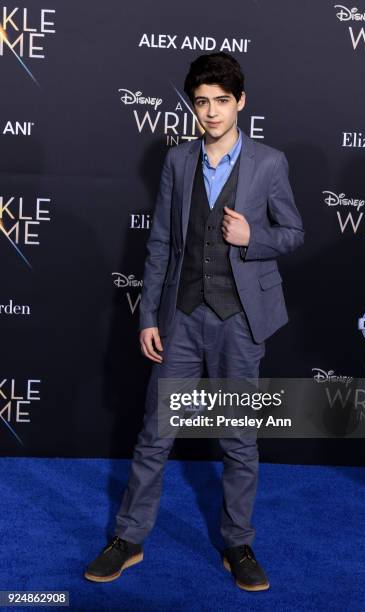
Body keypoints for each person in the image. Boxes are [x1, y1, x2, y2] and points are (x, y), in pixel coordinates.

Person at [84, 51, 304, 591]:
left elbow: (294, 233)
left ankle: (238, 544)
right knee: (155, 434)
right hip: (180, 317)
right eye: (201, 102)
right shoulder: (179, 162)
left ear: (241, 103)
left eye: (221, 102)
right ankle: (129, 539)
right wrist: (149, 317)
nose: (210, 112)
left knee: (239, 440)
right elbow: (160, 241)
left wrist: (254, 239)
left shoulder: (270, 163)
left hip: (240, 322)